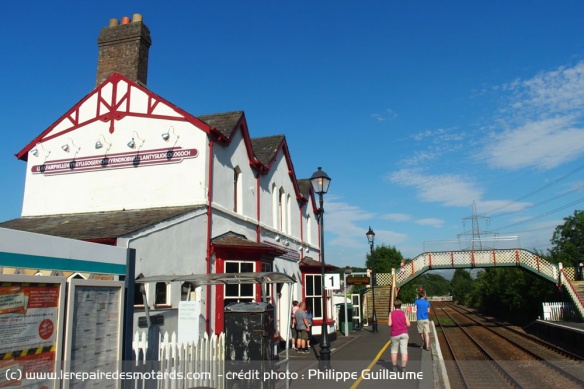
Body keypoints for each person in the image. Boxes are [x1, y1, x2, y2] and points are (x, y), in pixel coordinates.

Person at [387, 299, 410, 372]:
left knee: (394, 350)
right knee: (404, 351)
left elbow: (389, 324)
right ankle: (403, 368)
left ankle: (394, 367)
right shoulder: (404, 313)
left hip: (395, 334)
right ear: (400, 305)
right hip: (404, 333)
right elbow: (409, 324)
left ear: (394, 305)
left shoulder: (391, 313)